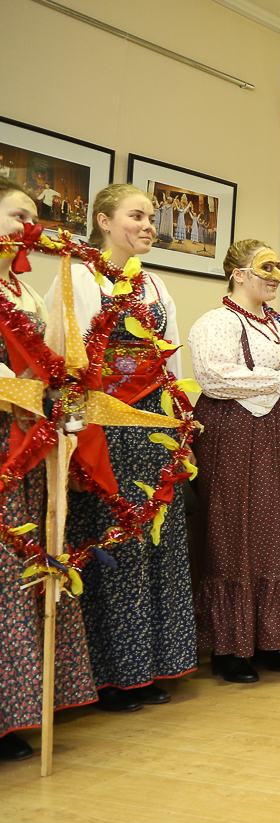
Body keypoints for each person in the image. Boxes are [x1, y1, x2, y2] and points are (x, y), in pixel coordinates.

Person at [47, 183, 195, 713]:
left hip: (155, 427)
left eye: (152, 217)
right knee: (117, 540)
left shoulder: (156, 285)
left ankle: (155, 663)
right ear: (104, 222)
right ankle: (113, 675)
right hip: (105, 430)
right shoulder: (79, 277)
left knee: (158, 540)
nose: (149, 225)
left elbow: (173, 363)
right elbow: (65, 359)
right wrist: (73, 432)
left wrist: (179, 425)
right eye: (137, 216)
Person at [187, 239, 280, 683]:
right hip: (238, 437)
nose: (276, 276)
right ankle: (230, 647)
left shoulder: (279, 325)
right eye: (265, 268)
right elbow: (214, 377)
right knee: (239, 533)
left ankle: (271, 637)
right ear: (238, 274)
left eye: (278, 268)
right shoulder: (217, 322)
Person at [0, 179, 96, 761]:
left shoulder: (26, 292)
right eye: (17, 215)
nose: (27, 227)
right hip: (5, 440)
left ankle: (16, 714)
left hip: (30, 442)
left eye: (31, 218)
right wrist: (27, 393)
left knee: (26, 562)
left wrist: (62, 400)